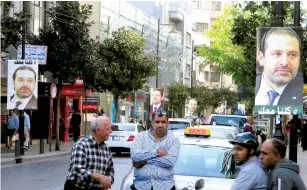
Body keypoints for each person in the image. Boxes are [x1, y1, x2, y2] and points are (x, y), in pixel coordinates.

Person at [130, 111, 180, 190]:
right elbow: (135, 156)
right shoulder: (140, 137)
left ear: (168, 123)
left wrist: (145, 160)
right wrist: (156, 152)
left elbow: (170, 162)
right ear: (152, 123)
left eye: (163, 122)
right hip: (141, 186)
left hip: (165, 187)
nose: (160, 125)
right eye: (157, 122)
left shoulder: (173, 141)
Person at [255, 27, 303, 105]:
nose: (284, 63)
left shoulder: (302, 93)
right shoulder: (249, 89)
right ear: (261, 58)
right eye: (277, 54)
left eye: (292, 55)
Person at [64, 116, 114, 190]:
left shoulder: (106, 149)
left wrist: (107, 180)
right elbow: (78, 171)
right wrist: (98, 177)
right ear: (98, 131)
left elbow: (110, 171)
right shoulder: (81, 145)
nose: (111, 131)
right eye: (108, 129)